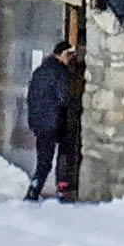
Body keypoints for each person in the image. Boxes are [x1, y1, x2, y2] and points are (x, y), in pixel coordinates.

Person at [24, 40, 81, 203]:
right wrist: (76, 105)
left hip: (39, 122)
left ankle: (34, 188)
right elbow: (64, 96)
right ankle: (63, 188)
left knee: (44, 160)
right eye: (69, 55)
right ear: (63, 54)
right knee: (64, 153)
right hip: (55, 121)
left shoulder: (40, 70)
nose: (70, 60)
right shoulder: (60, 72)